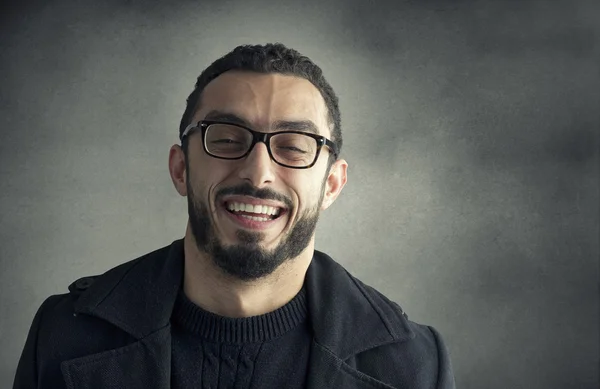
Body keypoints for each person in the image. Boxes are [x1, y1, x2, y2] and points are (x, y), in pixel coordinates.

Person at [13, 43, 456, 389]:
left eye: (294, 146)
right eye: (225, 139)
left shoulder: (416, 366)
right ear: (181, 168)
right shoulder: (61, 334)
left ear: (332, 186)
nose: (258, 172)